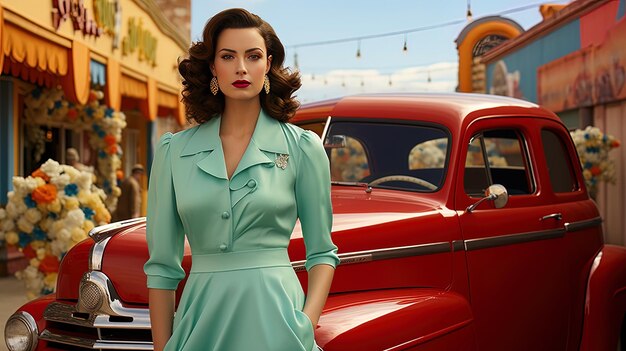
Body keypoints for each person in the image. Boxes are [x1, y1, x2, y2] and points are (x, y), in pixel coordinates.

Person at [143, 8, 339, 351]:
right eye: (228, 56)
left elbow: (322, 251)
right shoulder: (173, 152)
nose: (241, 68)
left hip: (281, 325)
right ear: (213, 68)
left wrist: (305, 324)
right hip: (199, 321)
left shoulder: (304, 148)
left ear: (268, 65)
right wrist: (162, 347)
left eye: (253, 56)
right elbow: (162, 265)